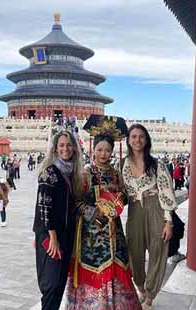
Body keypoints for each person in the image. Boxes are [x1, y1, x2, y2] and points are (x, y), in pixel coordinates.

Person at [67, 115, 142, 309]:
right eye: (100, 149)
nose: (103, 154)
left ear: (112, 152)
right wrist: (94, 212)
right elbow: (75, 201)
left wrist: (118, 201)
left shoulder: (116, 173)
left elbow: (124, 196)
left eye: (107, 150)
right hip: (91, 235)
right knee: (95, 270)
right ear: (93, 149)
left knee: (118, 268)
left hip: (113, 232)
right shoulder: (85, 173)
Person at [121, 124, 177, 309]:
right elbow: (117, 191)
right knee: (134, 253)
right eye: (134, 136)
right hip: (135, 210)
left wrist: (168, 222)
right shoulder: (121, 164)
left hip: (156, 209)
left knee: (157, 251)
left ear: (146, 140)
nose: (137, 140)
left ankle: (151, 295)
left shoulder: (156, 164)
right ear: (128, 140)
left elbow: (166, 191)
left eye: (141, 136)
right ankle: (140, 286)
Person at [33, 130, 83, 310]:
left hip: (65, 234)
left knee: (61, 282)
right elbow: (44, 207)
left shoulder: (70, 173)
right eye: (61, 145)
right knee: (51, 284)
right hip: (50, 235)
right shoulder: (50, 173)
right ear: (54, 149)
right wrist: (52, 237)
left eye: (69, 145)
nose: (66, 149)